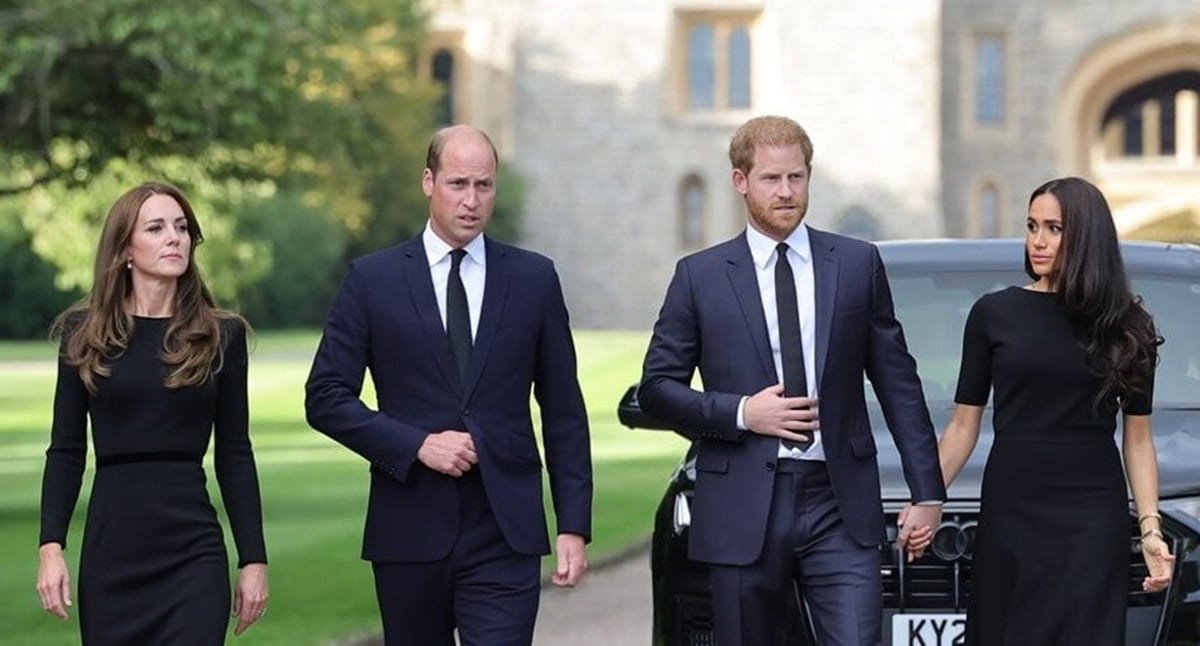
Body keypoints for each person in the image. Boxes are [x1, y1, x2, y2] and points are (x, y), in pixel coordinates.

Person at [637, 115, 946, 645]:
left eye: (796, 178)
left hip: (838, 501)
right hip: (741, 503)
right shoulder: (700, 276)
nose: (786, 192)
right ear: (741, 181)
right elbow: (657, 389)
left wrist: (928, 492)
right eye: (771, 179)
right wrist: (741, 413)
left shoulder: (855, 264)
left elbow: (899, 382)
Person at [305, 124, 593, 646]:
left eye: (484, 186)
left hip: (505, 530)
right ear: (428, 182)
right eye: (458, 184)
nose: (471, 200)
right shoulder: (373, 280)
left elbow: (563, 410)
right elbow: (325, 397)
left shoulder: (534, 279)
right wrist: (416, 444)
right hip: (409, 527)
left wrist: (573, 524)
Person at [918, 176, 1174, 645]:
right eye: (1032, 225)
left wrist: (1151, 529)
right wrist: (924, 498)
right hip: (1012, 510)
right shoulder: (993, 314)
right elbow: (961, 428)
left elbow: (1137, 439)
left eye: (1054, 228)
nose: (1038, 240)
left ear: (1086, 236)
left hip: (1092, 518)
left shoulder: (1127, 326)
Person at [36, 182, 269, 643]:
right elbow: (65, 450)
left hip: (193, 554)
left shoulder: (221, 337)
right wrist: (51, 546)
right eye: (157, 228)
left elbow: (235, 455)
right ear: (125, 248)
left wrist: (253, 559)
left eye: (182, 228)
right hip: (113, 554)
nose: (174, 238)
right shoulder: (82, 335)